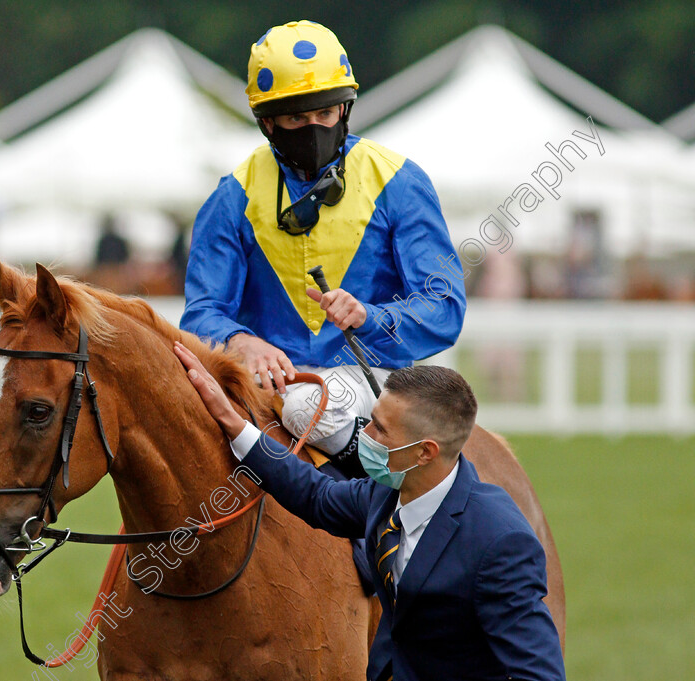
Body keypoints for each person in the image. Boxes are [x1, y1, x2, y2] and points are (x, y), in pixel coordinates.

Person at [174, 341, 566, 681]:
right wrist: (231, 421)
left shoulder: (500, 541)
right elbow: (315, 495)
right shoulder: (386, 493)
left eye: (378, 429)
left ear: (424, 452)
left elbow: (539, 673)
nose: (363, 436)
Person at [180, 20, 465, 471]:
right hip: (268, 386)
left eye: (325, 114)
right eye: (296, 118)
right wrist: (240, 340)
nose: (313, 128)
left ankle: (382, 488)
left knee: (305, 406)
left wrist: (372, 316)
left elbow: (445, 306)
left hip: (377, 384)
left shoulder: (401, 182)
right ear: (268, 122)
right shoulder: (231, 197)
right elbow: (200, 313)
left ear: (344, 111)